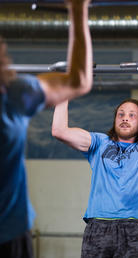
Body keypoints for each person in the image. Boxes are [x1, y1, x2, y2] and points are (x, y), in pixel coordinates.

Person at [0, 0, 93, 257]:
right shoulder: (15, 95)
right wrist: (77, 9)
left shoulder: (14, 94)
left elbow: (77, 81)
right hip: (11, 234)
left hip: (10, 234)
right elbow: (80, 80)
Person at [52, 98, 138, 258]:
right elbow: (59, 131)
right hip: (99, 226)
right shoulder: (99, 143)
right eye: (121, 114)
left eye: (132, 115)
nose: (125, 118)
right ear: (115, 120)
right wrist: (64, 92)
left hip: (135, 228)